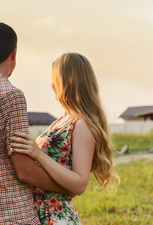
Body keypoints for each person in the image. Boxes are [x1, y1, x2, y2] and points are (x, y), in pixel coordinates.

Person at [0, 22, 71, 225]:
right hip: (13, 215)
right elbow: (24, 170)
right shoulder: (10, 95)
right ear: (14, 55)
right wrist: (65, 187)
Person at [10, 53, 119, 224]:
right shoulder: (63, 120)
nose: (51, 85)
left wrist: (38, 155)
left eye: (54, 79)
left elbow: (80, 183)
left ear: (66, 82)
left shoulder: (82, 125)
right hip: (41, 212)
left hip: (55, 215)